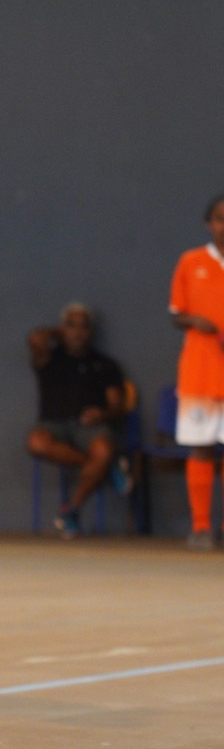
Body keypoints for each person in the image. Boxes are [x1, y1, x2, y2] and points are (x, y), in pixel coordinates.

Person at [26, 304, 130, 539]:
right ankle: (105, 470)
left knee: (103, 451)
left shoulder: (105, 364)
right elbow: (35, 338)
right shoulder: (49, 358)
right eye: (71, 326)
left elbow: (117, 406)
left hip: (90, 427)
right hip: (54, 424)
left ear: (91, 332)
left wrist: (101, 414)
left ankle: (71, 511)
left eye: (83, 327)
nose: (78, 332)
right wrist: (58, 332)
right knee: (36, 443)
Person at [169, 194, 224, 552]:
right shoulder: (191, 262)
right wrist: (194, 321)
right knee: (202, 448)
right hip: (201, 371)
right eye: (220, 218)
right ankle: (201, 527)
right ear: (209, 223)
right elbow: (176, 314)